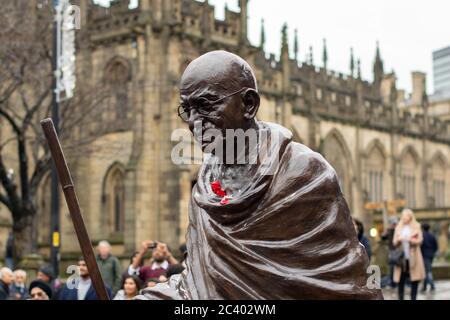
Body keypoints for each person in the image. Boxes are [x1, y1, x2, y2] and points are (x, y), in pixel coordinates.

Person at [137, 50, 382, 300]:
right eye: (187, 109)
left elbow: (349, 283)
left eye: (205, 105)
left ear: (249, 104)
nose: (193, 122)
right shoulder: (205, 185)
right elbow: (196, 283)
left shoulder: (304, 173)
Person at [393, 208, 425, 300]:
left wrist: (410, 240)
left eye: (407, 216)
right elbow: (394, 242)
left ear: (410, 217)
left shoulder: (416, 226)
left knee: (414, 279)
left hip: (413, 256)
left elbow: (420, 240)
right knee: (400, 280)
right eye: (403, 216)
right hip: (401, 257)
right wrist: (399, 239)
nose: (405, 218)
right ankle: (401, 297)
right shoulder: (398, 227)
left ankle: (413, 298)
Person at [381, 216, 398, 288]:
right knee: (391, 267)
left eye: (394, 224)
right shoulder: (389, 230)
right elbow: (383, 237)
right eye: (393, 224)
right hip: (391, 251)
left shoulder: (398, 230)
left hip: (398, 251)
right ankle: (392, 282)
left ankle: (396, 282)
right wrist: (387, 230)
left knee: (397, 267)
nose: (394, 225)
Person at [421, 223, 438, 292]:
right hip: (431, 255)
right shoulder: (432, 235)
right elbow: (436, 246)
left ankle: (432, 285)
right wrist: (433, 252)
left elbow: (421, 246)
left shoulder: (422, 235)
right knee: (426, 270)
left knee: (428, 271)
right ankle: (424, 287)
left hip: (425, 255)